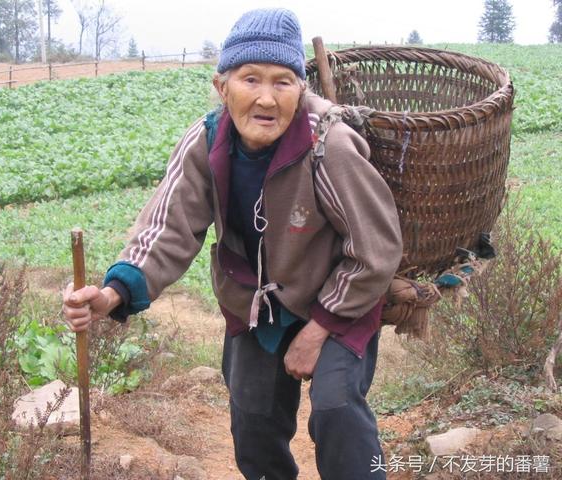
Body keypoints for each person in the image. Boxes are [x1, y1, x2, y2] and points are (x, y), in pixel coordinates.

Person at [62, 8, 402, 480]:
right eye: (250, 79)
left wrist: (318, 328)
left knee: (336, 408)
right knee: (254, 420)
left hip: (341, 296)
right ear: (223, 88)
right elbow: (168, 228)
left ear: (301, 90)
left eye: (283, 82)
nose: (266, 98)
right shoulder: (206, 142)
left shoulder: (329, 147)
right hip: (257, 302)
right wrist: (111, 294)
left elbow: (375, 250)